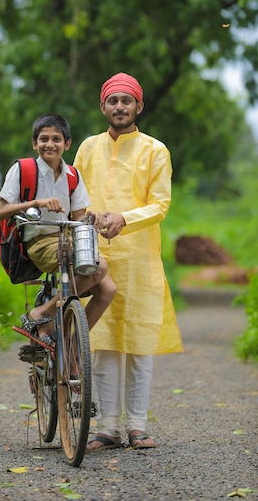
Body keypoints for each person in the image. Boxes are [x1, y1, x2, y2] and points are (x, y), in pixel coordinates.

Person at [74, 72, 183, 453]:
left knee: (138, 341)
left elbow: (161, 203)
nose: (119, 107)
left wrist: (124, 218)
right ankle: (108, 428)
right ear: (102, 106)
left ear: (139, 106)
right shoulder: (87, 148)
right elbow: (75, 194)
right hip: (96, 258)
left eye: (127, 100)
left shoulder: (155, 150)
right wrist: (90, 215)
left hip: (139, 259)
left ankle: (137, 426)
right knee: (103, 342)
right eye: (112, 100)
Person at [0, 114, 116, 347]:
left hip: (67, 236)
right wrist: (36, 203)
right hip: (39, 240)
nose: (49, 144)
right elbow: (2, 211)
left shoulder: (73, 175)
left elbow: (79, 217)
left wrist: (94, 218)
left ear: (67, 144)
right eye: (43, 139)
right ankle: (44, 313)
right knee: (98, 267)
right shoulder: (23, 169)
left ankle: (72, 350)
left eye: (56, 139)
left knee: (108, 289)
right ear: (34, 143)